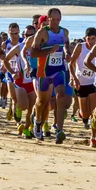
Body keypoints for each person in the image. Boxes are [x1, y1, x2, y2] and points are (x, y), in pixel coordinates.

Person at [31, 8, 71, 143]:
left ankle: (59, 129)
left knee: (61, 96)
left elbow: (66, 44)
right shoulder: (42, 32)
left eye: (58, 19)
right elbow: (33, 53)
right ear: (48, 19)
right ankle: (37, 122)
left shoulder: (64, 32)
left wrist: (68, 53)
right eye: (52, 19)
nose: (55, 22)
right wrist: (48, 50)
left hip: (59, 69)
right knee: (42, 101)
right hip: (44, 71)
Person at [3, 25, 37, 137]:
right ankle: (17, 105)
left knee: (32, 108)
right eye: (27, 35)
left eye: (32, 35)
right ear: (23, 35)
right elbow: (6, 60)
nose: (29, 37)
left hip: (33, 82)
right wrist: (12, 72)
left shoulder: (39, 47)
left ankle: (27, 128)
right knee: (23, 106)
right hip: (20, 82)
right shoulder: (19, 47)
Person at [69, 27, 96, 130]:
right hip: (81, 82)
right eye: (88, 39)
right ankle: (83, 116)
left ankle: (94, 129)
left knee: (94, 108)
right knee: (85, 113)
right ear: (85, 38)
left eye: (93, 39)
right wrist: (73, 78)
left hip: (94, 82)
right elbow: (71, 64)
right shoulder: (80, 47)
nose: (90, 41)